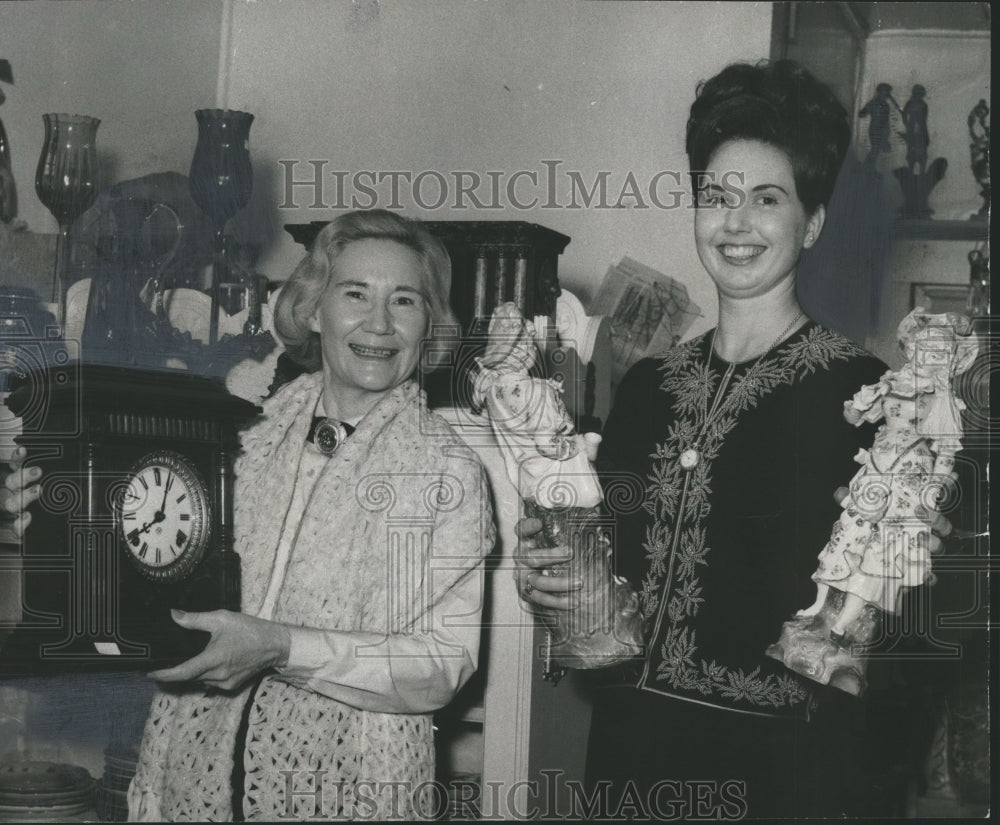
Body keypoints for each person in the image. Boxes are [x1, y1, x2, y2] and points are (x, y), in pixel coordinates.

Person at [515, 60, 952, 819]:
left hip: (781, 781)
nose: (736, 222)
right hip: (628, 764)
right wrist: (548, 581)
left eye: (767, 199)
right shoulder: (648, 388)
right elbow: (601, 600)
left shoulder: (870, 397)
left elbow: (906, 645)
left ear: (811, 222)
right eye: (717, 197)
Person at [3, 209, 494, 821]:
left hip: (354, 794)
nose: (379, 323)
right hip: (193, 773)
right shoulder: (239, 437)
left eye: (404, 300)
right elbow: (152, 561)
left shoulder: (447, 473)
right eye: (355, 294)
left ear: (429, 325)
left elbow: (441, 667)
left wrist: (280, 647)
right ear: (314, 311)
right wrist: (56, 524)